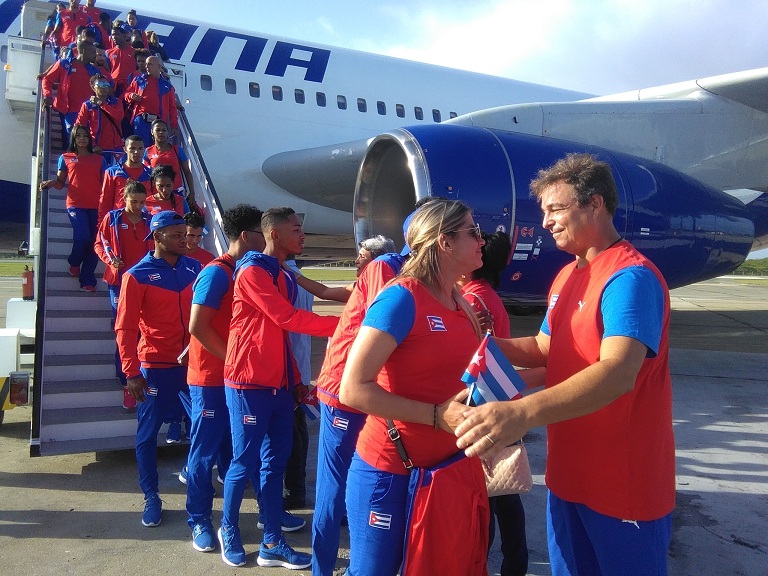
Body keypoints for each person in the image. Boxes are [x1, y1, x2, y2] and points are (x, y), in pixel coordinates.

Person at [454, 153, 675, 576]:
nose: (546, 222)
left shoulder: (629, 278)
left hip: (622, 484)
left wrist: (521, 412)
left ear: (595, 204)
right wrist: (478, 341)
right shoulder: (568, 275)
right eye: (544, 212)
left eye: (556, 209)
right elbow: (544, 347)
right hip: (568, 477)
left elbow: (618, 371)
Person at [339, 198, 489, 576]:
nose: (482, 240)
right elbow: (352, 389)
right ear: (445, 242)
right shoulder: (400, 297)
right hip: (390, 472)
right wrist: (437, 416)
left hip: (445, 472)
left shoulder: (459, 301)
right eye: (473, 231)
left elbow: (472, 373)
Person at [218, 207, 339, 568]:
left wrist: (297, 380)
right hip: (248, 382)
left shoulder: (283, 274)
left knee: (274, 464)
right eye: (296, 229)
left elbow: (280, 335)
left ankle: (272, 541)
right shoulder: (252, 272)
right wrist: (345, 327)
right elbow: (286, 318)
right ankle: (229, 530)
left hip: (280, 386)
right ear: (274, 234)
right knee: (243, 463)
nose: (302, 236)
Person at [310, 243, 405, 576]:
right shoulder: (384, 267)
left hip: (370, 391)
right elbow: (385, 329)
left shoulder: (408, 273)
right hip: (345, 391)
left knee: (355, 482)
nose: (357, 261)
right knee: (333, 487)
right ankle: (321, 569)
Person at [184, 204, 264, 553]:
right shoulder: (217, 273)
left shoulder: (248, 271)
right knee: (204, 453)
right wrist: (234, 360)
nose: (267, 238)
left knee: (242, 451)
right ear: (247, 236)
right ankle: (199, 519)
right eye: (262, 232)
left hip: (236, 378)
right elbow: (198, 326)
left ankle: (267, 514)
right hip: (211, 378)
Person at [115, 210, 201, 527]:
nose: (184, 240)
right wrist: (131, 372)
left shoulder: (195, 268)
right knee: (147, 436)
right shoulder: (136, 276)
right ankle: (151, 496)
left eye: (185, 234)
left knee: (205, 428)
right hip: (155, 367)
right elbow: (125, 328)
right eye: (177, 235)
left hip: (192, 366)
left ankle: (196, 487)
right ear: (158, 236)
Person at [457, 230, 528, 576]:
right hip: (499, 398)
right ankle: (514, 562)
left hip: (481, 404)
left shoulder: (472, 300)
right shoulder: (485, 294)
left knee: (487, 494)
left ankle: (481, 562)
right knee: (503, 490)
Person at [94, 180, 152, 409]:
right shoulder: (113, 218)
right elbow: (100, 243)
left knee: (144, 328)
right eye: (133, 201)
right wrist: (111, 261)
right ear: (124, 199)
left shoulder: (149, 220)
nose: (138, 206)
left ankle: (146, 372)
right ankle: (126, 381)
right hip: (119, 283)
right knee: (125, 331)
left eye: (142, 202)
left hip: (145, 283)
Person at [39, 124, 107, 292]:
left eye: (85, 135)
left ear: (89, 139)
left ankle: (88, 280)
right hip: (76, 205)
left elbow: (106, 185)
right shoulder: (66, 158)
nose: (82, 138)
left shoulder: (100, 160)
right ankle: (74, 262)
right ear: (73, 138)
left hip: (96, 207)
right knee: (82, 237)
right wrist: (51, 182)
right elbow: (60, 183)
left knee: (94, 243)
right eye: (78, 135)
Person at [41, 39, 99, 143]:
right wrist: (48, 96)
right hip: (68, 110)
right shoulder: (65, 64)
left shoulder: (94, 71)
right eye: (93, 52)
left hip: (88, 112)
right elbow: (47, 80)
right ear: (84, 51)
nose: (96, 55)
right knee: (72, 139)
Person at [124, 55, 179, 148]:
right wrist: (131, 96)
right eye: (146, 64)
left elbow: (172, 107)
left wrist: (174, 125)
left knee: (156, 148)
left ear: (159, 66)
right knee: (141, 146)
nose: (146, 66)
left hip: (158, 122)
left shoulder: (167, 87)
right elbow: (126, 94)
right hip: (141, 119)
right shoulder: (138, 80)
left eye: (150, 64)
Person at [98, 135, 152, 221]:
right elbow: (105, 201)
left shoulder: (151, 174)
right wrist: (102, 222)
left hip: (143, 222)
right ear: (125, 149)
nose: (136, 152)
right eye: (132, 148)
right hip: (119, 220)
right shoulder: (112, 172)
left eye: (140, 148)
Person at [144, 119, 196, 207]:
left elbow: (187, 172)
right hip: (157, 195)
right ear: (152, 132)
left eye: (164, 130)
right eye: (158, 130)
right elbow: (146, 175)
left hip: (176, 193)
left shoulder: (177, 150)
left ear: (167, 132)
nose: (161, 132)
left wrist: (192, 193)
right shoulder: (148, 152)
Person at [75, 73, 124, 165]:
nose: (104, 87)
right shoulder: (88, 105)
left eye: (106, 85)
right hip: (98, 148)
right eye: (100, 85)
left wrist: (102, 104)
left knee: (115, 173)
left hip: (116, 148)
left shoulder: (116, 102)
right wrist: (92, 145)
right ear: (93, 87)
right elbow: (79, 126)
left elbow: (119, 117)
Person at [106, 22, 135, 96]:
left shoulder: (134, 52)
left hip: (130, 86)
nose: (114, 37)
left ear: (124, 35)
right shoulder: (108, 53)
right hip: (114, 87)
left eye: (116, 34)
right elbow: (106, 70)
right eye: (112, 35)